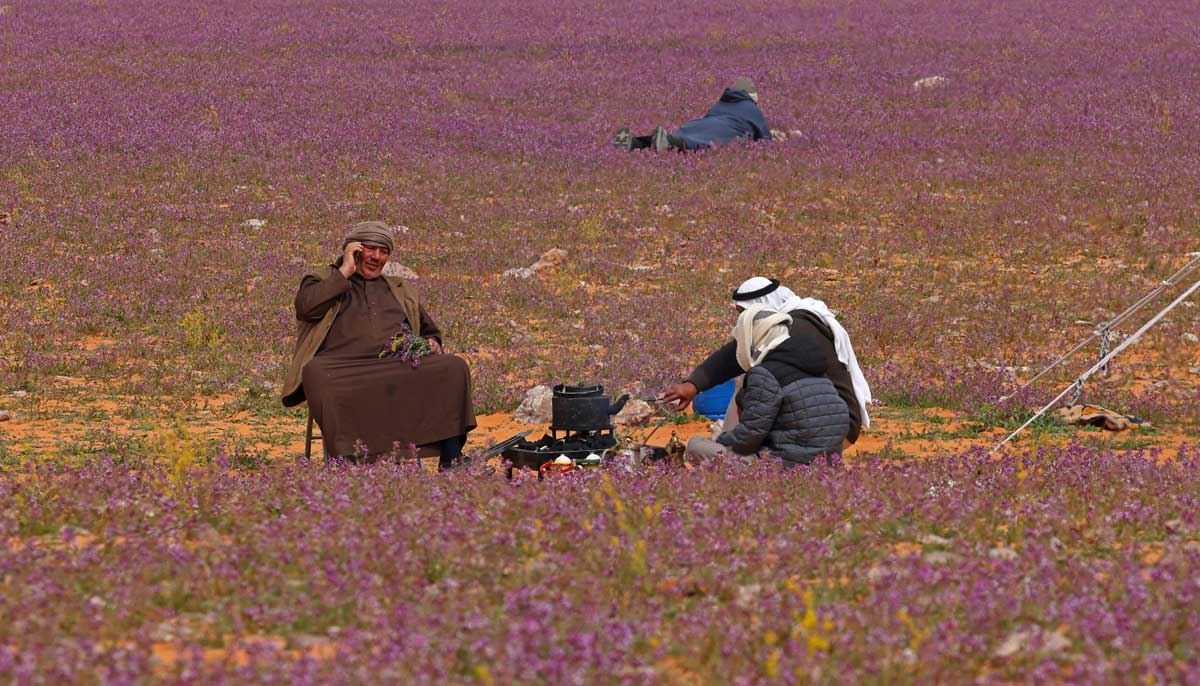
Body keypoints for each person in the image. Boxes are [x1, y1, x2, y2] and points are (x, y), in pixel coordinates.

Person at [280, 221, 476, 469]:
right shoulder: (321, 279)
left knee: (453, 367)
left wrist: (432, 342)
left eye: (383, 251)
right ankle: (347, 460)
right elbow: (306, 308)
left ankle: (452, 457)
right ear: (352, 250)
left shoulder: (399, 288)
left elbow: (430, 330)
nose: (377, 257)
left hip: (396, 365)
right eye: (370, 249)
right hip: (342, 369)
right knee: (316, 372)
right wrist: (345, 271)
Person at [662, 277, 871, 447]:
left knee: (750, 380)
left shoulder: (791, 332)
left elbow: (760, 395)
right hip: (833, 427)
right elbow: (732, 356)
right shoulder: (787, 326)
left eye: (744, 313)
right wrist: (693, 385)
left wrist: (731, 443)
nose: (743, 319)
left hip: (823, 432)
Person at [684, 305, 849, 467]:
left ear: (754, 335)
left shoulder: (764, 374)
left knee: (696, 445)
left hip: (785, 467)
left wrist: (721, 440)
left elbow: (749, 437)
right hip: (827, 464)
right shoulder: (814, 365)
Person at [614, 77, 771, 152]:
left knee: (683, 136)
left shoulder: (720, 103)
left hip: (698, 124)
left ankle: (632, 141)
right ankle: (666, 141)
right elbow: (766, 141)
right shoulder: (752, 109)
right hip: (724, 131)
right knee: (696, 144)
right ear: (751, 96)